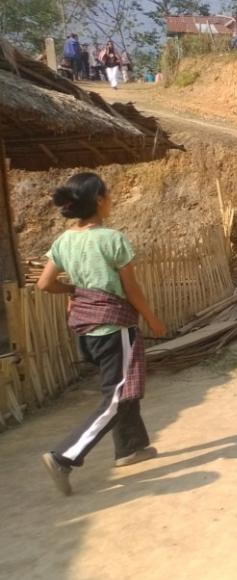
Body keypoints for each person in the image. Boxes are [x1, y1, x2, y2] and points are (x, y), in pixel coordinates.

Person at [37, 173, 167, 497]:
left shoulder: (64, 241)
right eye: (108, 195)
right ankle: (64, 456)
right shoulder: (112, 239)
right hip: (114, 327)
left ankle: (130, 449)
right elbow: (130, 288)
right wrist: (152, 319)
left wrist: (73, 291)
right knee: (118, 396)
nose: (111, 200)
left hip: (87, 329)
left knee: (120, 386)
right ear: (98, 199)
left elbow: (44, 284)